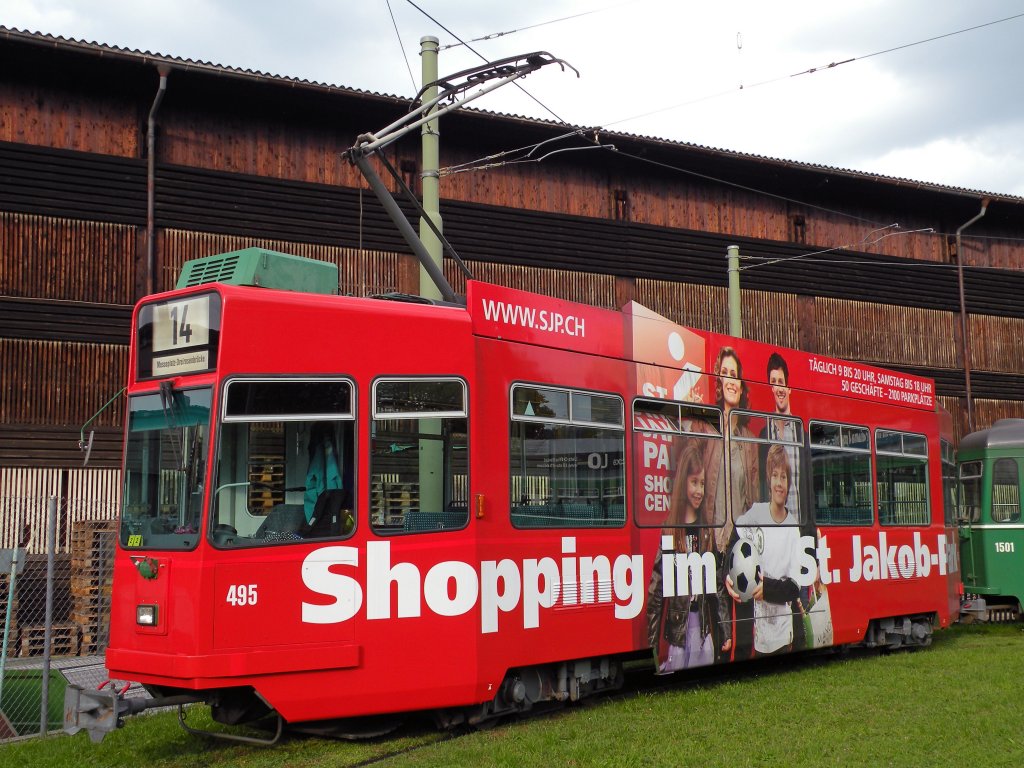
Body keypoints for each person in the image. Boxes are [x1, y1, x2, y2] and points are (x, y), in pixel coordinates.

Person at [703, 346, 759, 659]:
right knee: (719, 612)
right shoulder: (707, 431)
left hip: (742, 541)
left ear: (741, 384)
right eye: (724, 374)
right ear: (718, 382)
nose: (730, 380)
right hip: (716, 539)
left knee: (744, 610)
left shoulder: (749, 440)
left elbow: (752, 497)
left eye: (734, 375)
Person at [646, 440, 718, 672]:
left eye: (703, 484)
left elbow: (717, 585)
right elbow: (657, 590)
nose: (699, 490)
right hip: (678, 631)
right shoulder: (670, 530)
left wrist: (724, 633)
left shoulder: (706, 530)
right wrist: (652, 645)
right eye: (694, 482)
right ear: (683, 483)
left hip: (703, 628)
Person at [726, 444, 804, 656]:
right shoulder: (755, 514)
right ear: (769, 480)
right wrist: (729, 573)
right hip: (760, 637)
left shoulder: (793, 529)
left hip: (783, 635)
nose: (779, 483)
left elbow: (794, 587)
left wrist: (766, 589)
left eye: (784, 477)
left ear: (789, 483)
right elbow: (735, 543)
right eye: (775, 476)